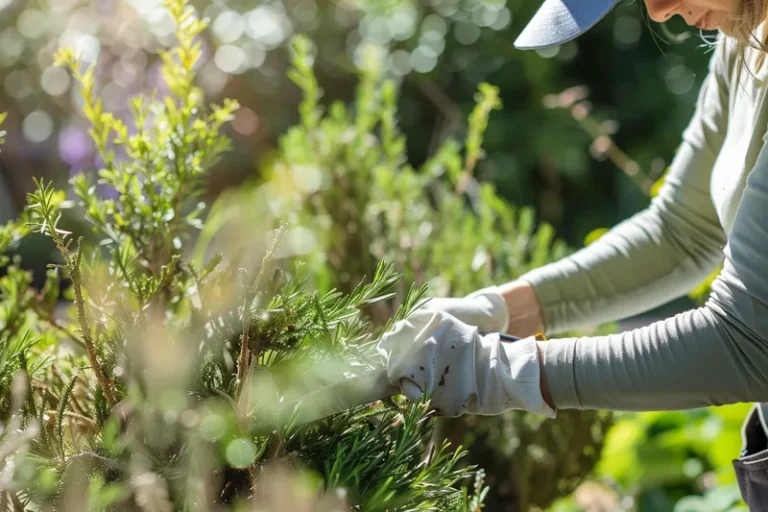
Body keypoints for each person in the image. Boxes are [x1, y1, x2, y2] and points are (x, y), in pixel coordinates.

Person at [376, 0, 768, 506]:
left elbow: (749, 341)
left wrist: (504, 370)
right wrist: (501, 310)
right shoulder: (745, 39)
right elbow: (682, 233)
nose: (658, 10)